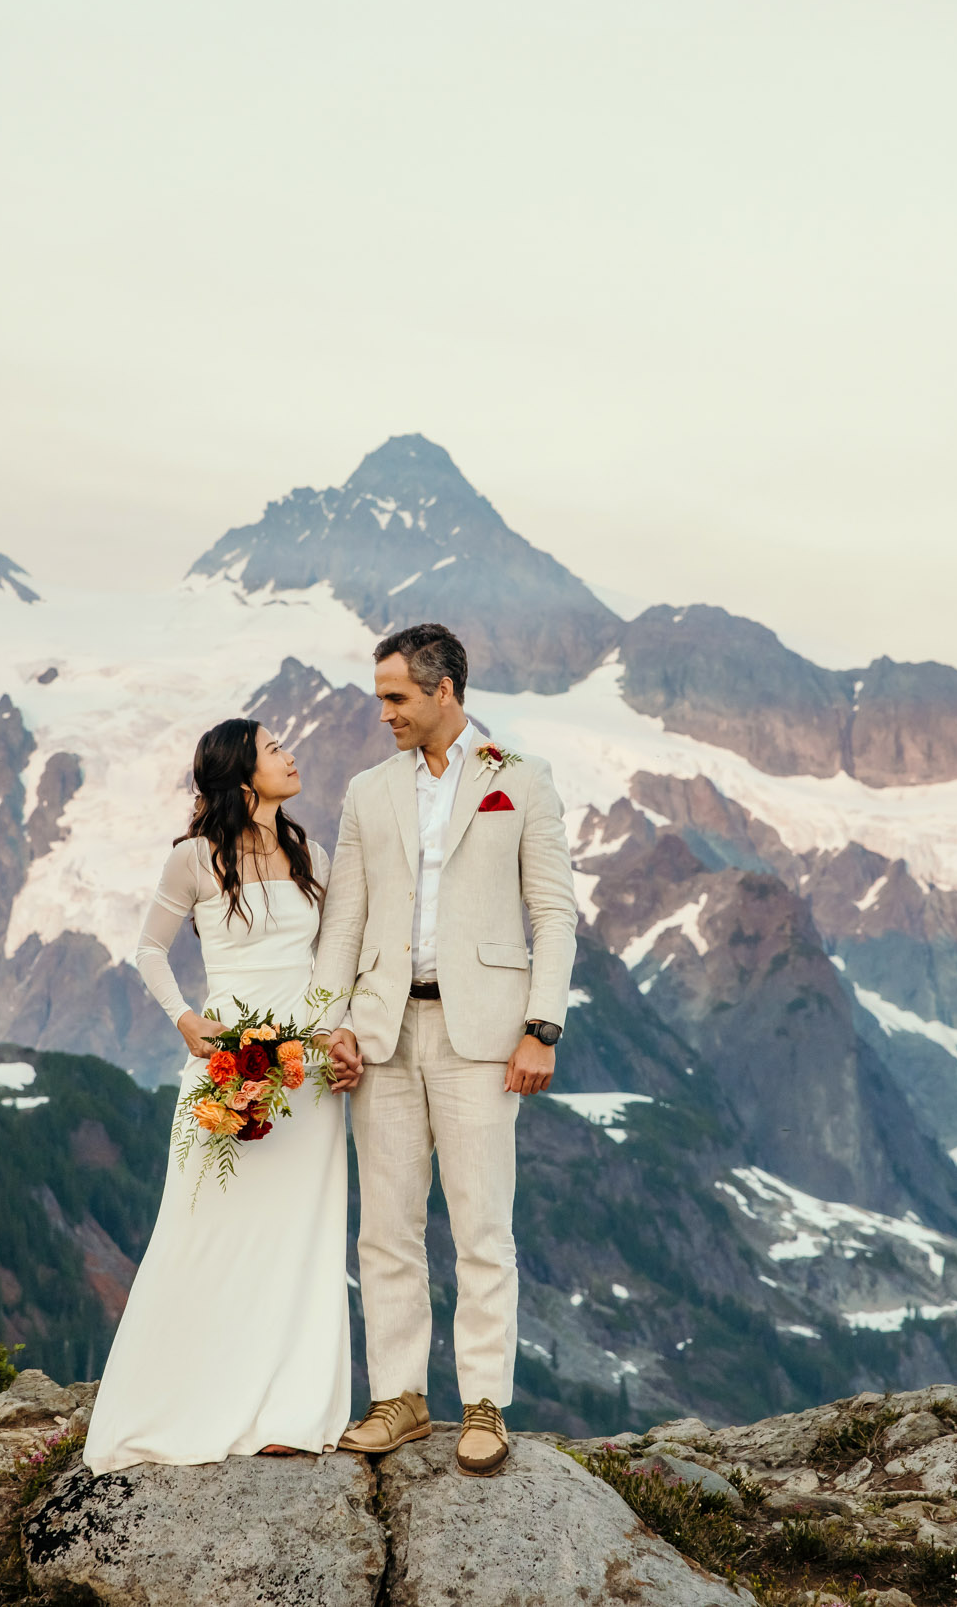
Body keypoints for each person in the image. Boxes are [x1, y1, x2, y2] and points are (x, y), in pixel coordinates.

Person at [313, 623, 574, 1478]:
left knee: (480, 1224)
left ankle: (486, 1403)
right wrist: (332, 1021)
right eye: (381, 696)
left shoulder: (521, 783)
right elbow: (342, 918)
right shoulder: (366, 792)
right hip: (383, 1031)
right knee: (385, 1226)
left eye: (396, 697)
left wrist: (541, 1026)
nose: (383, 711)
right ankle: (401, 1397)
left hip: (484, 1036)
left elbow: (555, 913)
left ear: (444, 692)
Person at [83, 718, 359, 1471]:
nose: (292, 754)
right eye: (275, 748)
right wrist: (184, 1018)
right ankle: (181, 1398)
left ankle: (289, 1408)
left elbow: (336, 959)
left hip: (302, 1074)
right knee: (201, 1230)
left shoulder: (313, 855)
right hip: (227, 1062)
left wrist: (338, 1032)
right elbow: (148, 948)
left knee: (300, 1238)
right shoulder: (193, 859)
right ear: (242, 773)